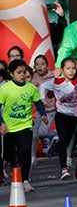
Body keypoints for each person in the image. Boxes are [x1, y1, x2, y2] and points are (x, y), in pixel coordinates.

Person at [0, 61, 44, 191]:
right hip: (9, 127)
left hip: (25, 125)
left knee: (25, 152)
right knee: (7, 154)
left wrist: (44, 114)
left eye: (24, 72)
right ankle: (13, 164)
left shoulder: (30, 88)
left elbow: (38, 102)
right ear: (11, 74)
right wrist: (1, 123)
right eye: (19, 73)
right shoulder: (5, 89)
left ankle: (25, 180)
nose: (22, 75)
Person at [46, 56, 77, 179]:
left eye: (73, 68)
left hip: (75, 116)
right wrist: (43, 98)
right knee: (63, 140)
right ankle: (63, 168)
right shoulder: (57, 82)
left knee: (69, 141)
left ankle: (56, 145)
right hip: (61, 115)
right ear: (62, 69)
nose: (71, 71)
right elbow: (43, 87)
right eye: (68, 68)